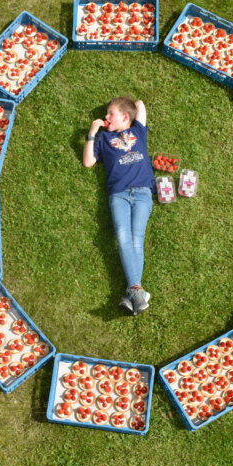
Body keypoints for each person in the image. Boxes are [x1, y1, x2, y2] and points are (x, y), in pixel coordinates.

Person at [82, 97, 156, 315]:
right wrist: (92, 133)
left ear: (125, 117)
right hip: (119, 195)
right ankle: (137, 292)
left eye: (110, 114)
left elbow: (141, 104)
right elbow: (88, 162)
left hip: (142, 192)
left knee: (136, 238)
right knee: (124, 236)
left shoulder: (138, 131)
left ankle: (133, 292)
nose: (106, 118)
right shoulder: (104, 139)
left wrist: (128, 108)